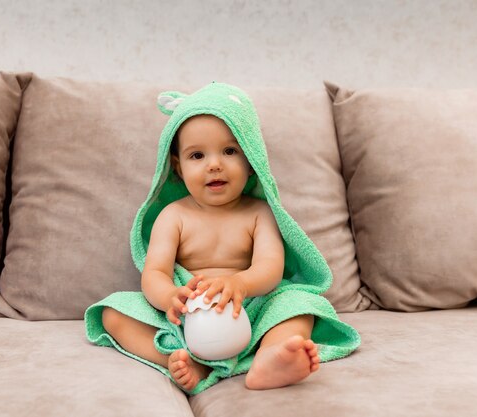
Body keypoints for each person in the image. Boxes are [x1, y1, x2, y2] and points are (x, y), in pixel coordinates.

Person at [85, 82, 360, 395]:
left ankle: (270, 357)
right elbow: (155, 271)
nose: (214, 164)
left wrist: (241, 284)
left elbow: (270, 267)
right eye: (197, 155)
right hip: (185, 319)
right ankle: (186, 361)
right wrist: (170, 297)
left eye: (230, 151)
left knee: (301, 305)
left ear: (251, 160)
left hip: (251, 308)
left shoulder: (258, 213)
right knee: (113, 313)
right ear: (178, 167)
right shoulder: (173, 216)